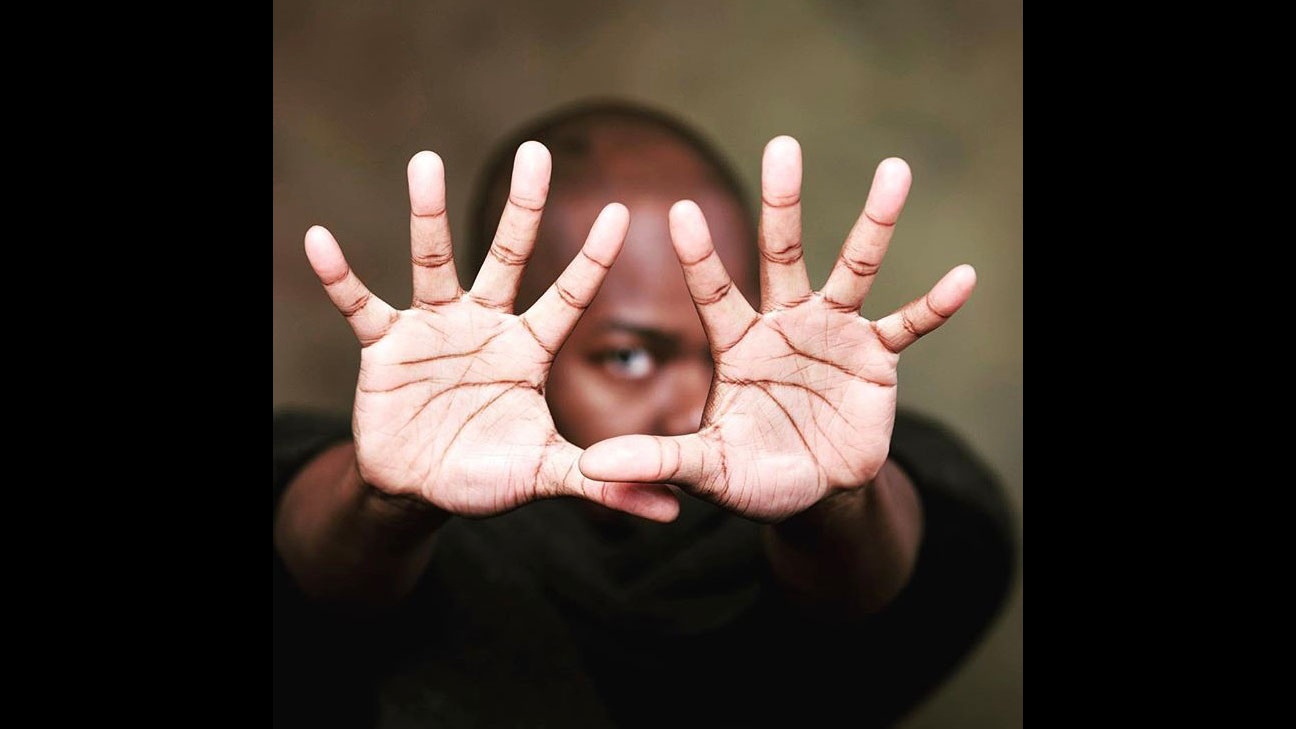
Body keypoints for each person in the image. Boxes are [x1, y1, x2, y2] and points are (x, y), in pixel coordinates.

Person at [273, 101, 1015, 728]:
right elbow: (315, 544)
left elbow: (911, 548)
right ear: (503, 334)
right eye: (629, 357)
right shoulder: (404, 515)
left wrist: (839, 499)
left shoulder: (806, 513)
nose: (696, 401)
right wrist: (385, 499)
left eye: (723, 347)